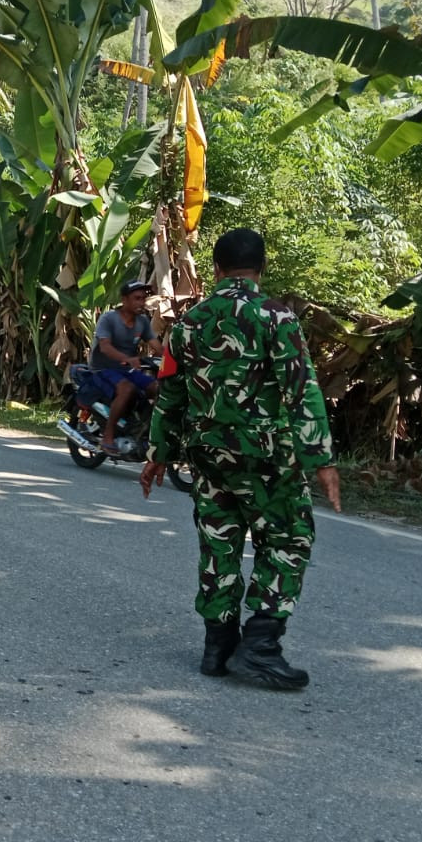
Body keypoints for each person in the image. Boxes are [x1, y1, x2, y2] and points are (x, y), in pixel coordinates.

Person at [140, 229, 341, 690]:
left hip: (207, 456)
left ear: (216, 269)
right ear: (261, 268)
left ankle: (218, 647)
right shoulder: (277, 318)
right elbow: (302, 391)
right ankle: (261, 645)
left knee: (219, 543)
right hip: (266, 457)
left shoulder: (188, 324)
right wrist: (322, 460)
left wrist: (157, 454)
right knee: (289, 540)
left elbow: (169, 394)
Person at [90, 280, 162, 454]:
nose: (141, 302)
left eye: (143, 299)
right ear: (124, 300)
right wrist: (127, 359)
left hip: (127, 369)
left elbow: (157, 346)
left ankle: (144, 428)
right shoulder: (109, 319)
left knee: (157, 388)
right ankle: (108, 435)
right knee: (127, 389)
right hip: (103, 368)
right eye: (136, 298)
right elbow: (105, 347)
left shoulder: (143, 321)